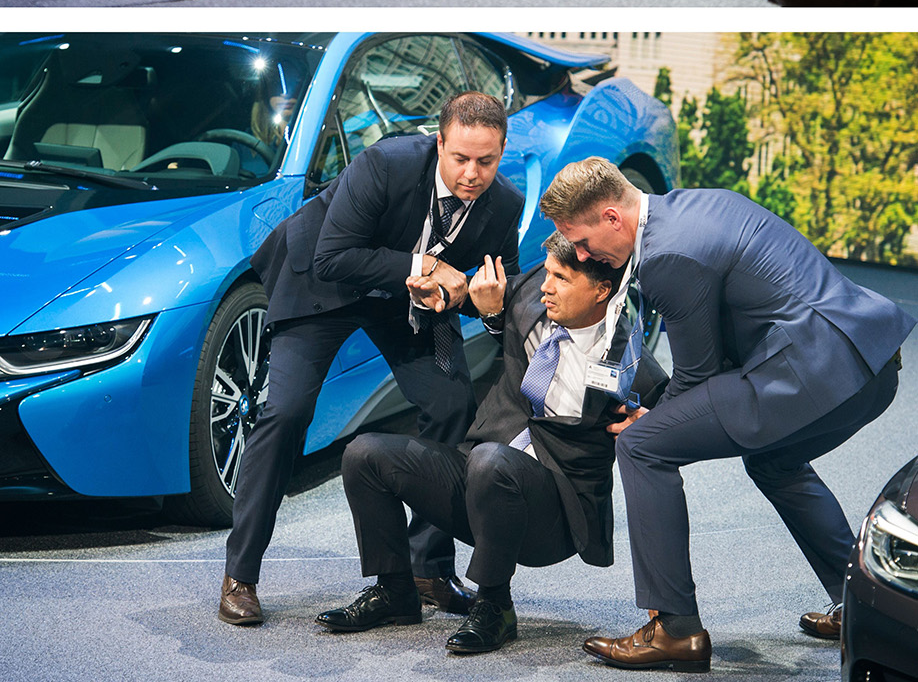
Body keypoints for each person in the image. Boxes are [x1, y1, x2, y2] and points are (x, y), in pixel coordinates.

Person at [540, 158, 916, 670]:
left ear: (612, 217)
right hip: (870, 363)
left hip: (815, 372)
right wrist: (657, 407)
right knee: (774, 462)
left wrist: (648, 419)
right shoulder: (691, 205)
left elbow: (698, 374)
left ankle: (676, 629)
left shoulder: (666, 257)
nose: (584, 255)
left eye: (580, 241)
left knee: (642, 446)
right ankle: (861, 604)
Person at [218, 92, 522, 627]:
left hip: (410, 300)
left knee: (453, 402)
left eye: (487, 161)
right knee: (286, 413)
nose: (473, 173)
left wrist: (472, 301)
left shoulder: (505, 206)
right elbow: (333, 255)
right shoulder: (386, 162)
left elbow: (498, 298)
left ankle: (426, 570)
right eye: (461, 159)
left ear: (502, 153)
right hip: (323, 281)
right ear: (440, 143)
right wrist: (426, 265)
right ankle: (240, 573)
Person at [317, 234, 667, 655]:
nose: (546, 286)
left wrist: (652, 425)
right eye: (547, 273)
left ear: (601, 291)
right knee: (364, 453)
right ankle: (395, 591)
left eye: (561, 278)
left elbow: (678, 415)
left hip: (553, 514)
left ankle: (494, 604)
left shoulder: (627, 360)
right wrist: (446, 289)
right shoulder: (526, 301)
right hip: (479, 482)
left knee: (490, 461)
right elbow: (471, 292)